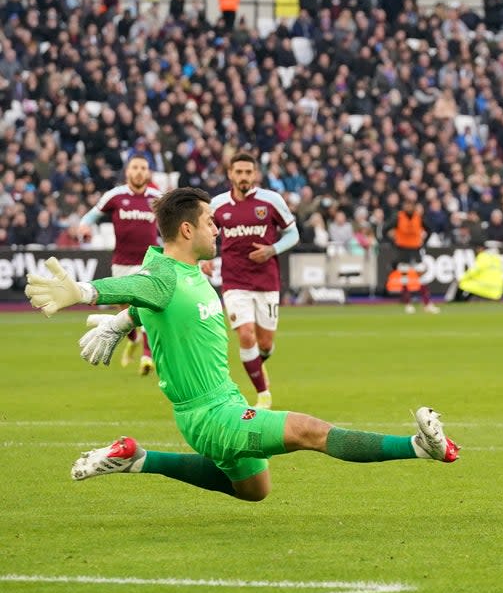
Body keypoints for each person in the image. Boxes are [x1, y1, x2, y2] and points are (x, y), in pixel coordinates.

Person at [24, 188, 459, 503]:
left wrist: (121, 322)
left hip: (222, 400)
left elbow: (151, 302)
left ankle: (136, 458)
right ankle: (420, 447)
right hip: (210, 415)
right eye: (212, 221)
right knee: (310, 431)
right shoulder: (163, 275)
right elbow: (138, 286)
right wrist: (82, 293)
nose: (219, 227)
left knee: (255, 491)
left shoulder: (188, 273)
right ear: (188, 228)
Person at [208, 152, 299, 410]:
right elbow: (205, 234)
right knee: (246, 335)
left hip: (267, 282)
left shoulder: (271, 201)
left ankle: (257, 366)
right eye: (239, 172)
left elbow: (293, 234)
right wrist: (203, 258)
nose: (244, 177)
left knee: (266, 344)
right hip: (234, 282)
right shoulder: (217, 205)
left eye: (248, 172)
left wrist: (271, 250)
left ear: (255, 174)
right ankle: (263, 394)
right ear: (230, 174)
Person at [76, 153, 162, 376]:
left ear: (148, 172)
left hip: (149, 262)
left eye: (143, 167)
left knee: (145, 309)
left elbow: (172, 222)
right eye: (135, 167)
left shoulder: (157, 197)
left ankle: (147, 355)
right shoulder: (115, 196)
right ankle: (133, 340)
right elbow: (90, 217)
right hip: (122, 264)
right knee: (125, 312)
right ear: (128, 171)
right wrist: (84, 227)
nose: (139, 171)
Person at [385, 197, 440, 314]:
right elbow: (385, 229)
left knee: (421, 277)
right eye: (407, 205)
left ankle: (427, 303)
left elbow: (429, 230)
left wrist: (423, 243)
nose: (408, 207)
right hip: (402, 250)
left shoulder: (418, 217)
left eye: (411, 205)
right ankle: (408, 303)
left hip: (415, 249)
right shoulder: (398, 217)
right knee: (404, 278)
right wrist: (393, 243)